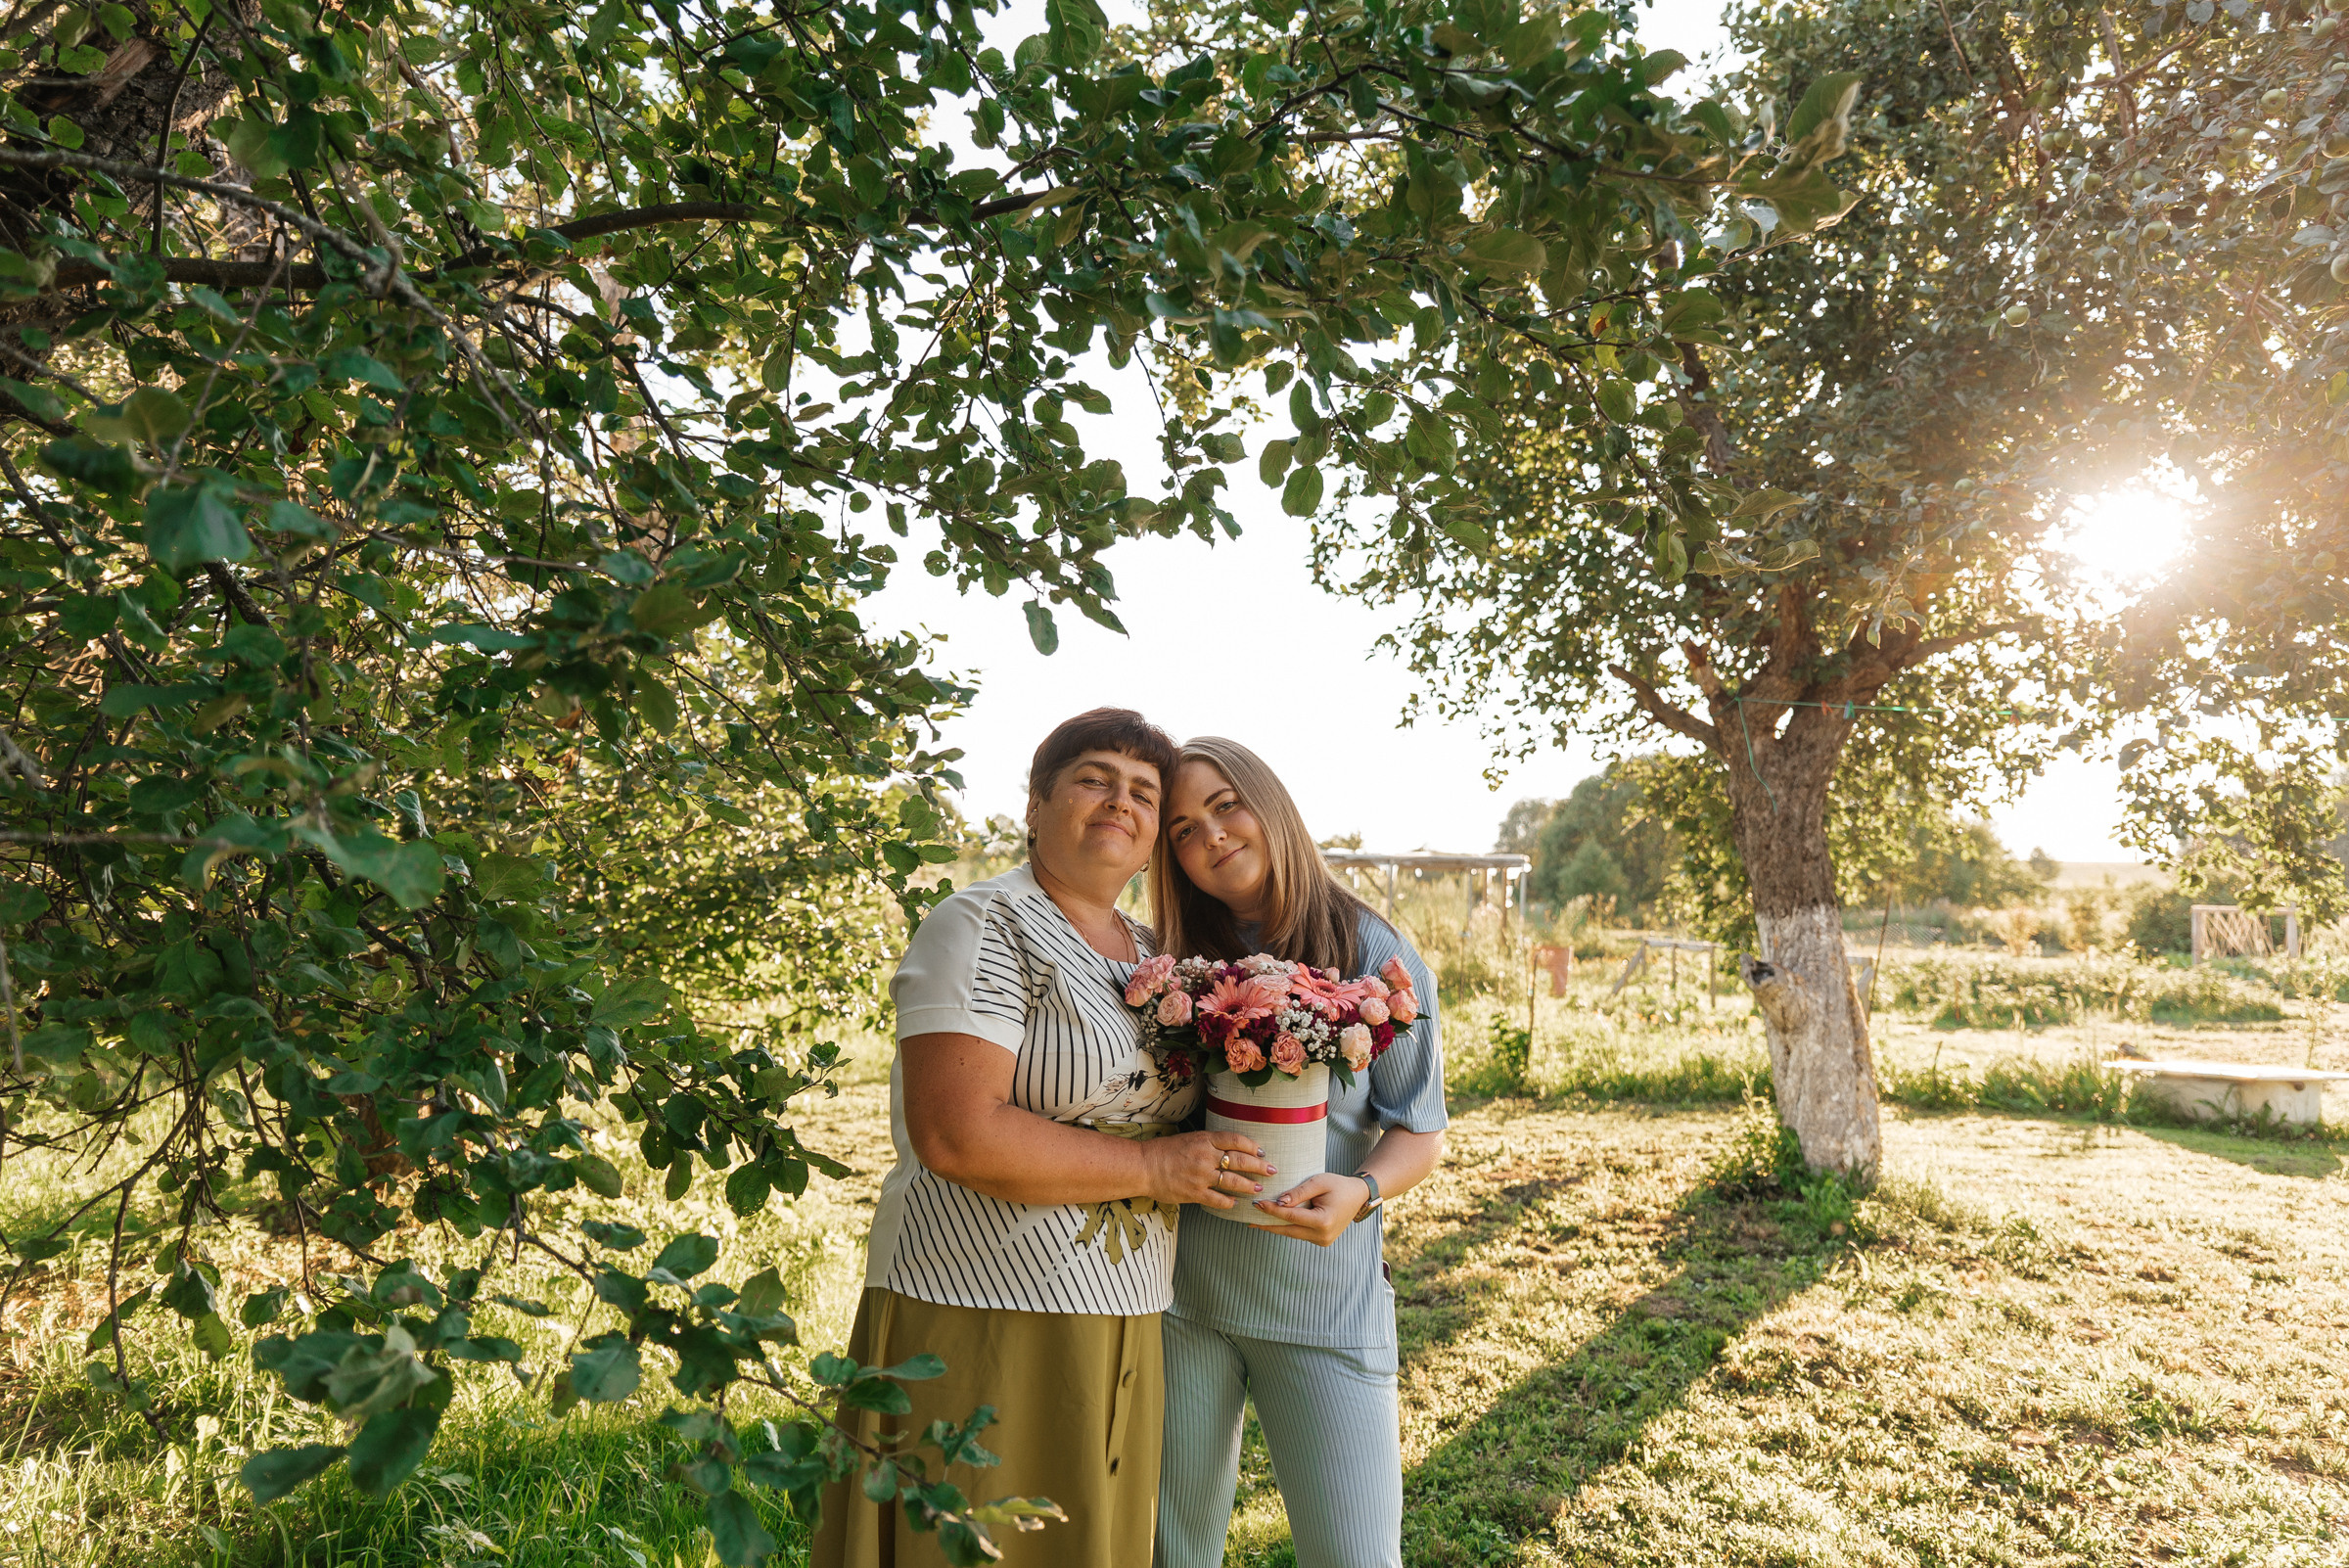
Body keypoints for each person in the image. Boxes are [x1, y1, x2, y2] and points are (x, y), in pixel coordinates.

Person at [812, 709, 1275, 1568]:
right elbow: (956, 1133)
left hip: (1126, 1308)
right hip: (983, 1304)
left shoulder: (1154, 955)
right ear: (1035, 805)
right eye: (1095, 779)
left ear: (1153, 839)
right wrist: (1154, 1166)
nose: (1121, 801)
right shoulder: (983, 924)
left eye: (1143, 793)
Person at [1148, 737, 1448, 1568]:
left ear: (1269, 803)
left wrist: (1363, 1191)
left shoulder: (1374, 953)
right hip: (1183, 1301)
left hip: (1324, 1302)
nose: (1210, 834)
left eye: (1225, 805)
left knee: (1353, 1556)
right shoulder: (1172, 965)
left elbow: (1420, 1129)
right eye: (1182, 829)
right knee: (1174, 1555)